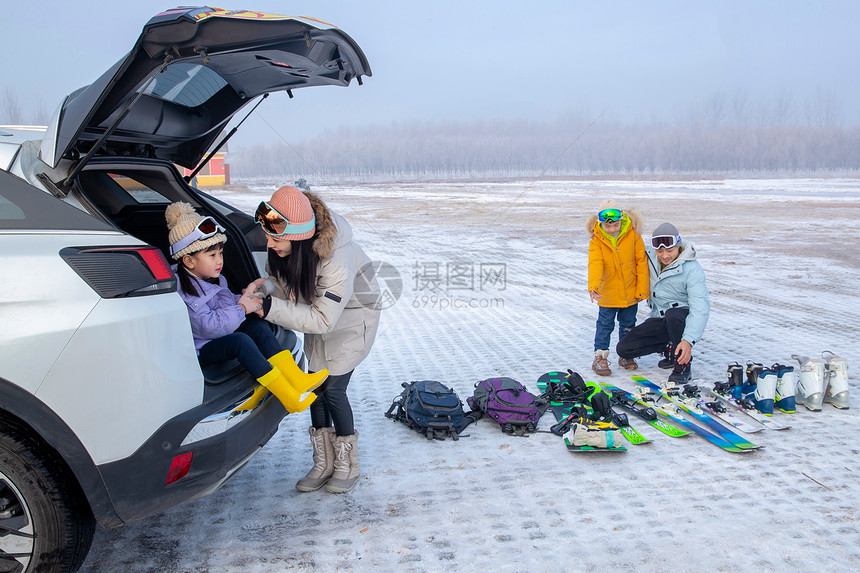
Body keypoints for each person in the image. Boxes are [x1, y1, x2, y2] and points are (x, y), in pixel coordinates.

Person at [253, 186, 381, 494]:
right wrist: (265, 288)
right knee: (316, 385)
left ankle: (349, 464)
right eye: (267, 236)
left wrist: (267, 307)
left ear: (299, 238)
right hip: (321, 318)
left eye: (276, 239)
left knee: (333, 389)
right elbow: (288, 293)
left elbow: (323, 320)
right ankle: (323, 462)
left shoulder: (337, 259)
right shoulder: (290, 249)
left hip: (351, 321)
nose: (268, 244)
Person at [165, 202, 327, 414]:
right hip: (202, 348)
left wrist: (243, 297)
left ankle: (297, 380)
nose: (219, 261)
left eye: (220, 253)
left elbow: (223, 306)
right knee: (241, 341)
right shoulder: (186, 291)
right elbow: (210, 327)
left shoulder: (212, 279)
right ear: (188, 260)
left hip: (217, 336)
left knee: (258, 328)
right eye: (212, 255)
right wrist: (242, 308)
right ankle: (290, 398)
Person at [615, 222, 710, 383]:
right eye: (660, 250)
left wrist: (688, 341)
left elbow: (700, 308)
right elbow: (626, 244)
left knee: (673, 315)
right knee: (624, 348)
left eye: (670, 250)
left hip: (681, 318)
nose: (665, 255)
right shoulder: (649, 257)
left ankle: (683, 365)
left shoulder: (692, 268)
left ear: (678, 247)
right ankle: (670, 349)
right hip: (659, 317)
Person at [586, 199, 648, 376]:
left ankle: (626, 355)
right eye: (608, 226)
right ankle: (600, 357)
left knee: (629, 324)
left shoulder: (633, 235)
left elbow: (641, 262)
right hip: (608, 294)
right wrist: (593, 286)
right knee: (605, 325)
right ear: (601, 224)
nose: (612, 230)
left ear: (622, 220)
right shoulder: (596, 240)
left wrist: (642, 289)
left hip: (630, 292)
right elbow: (595, 264)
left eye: (616, 225)